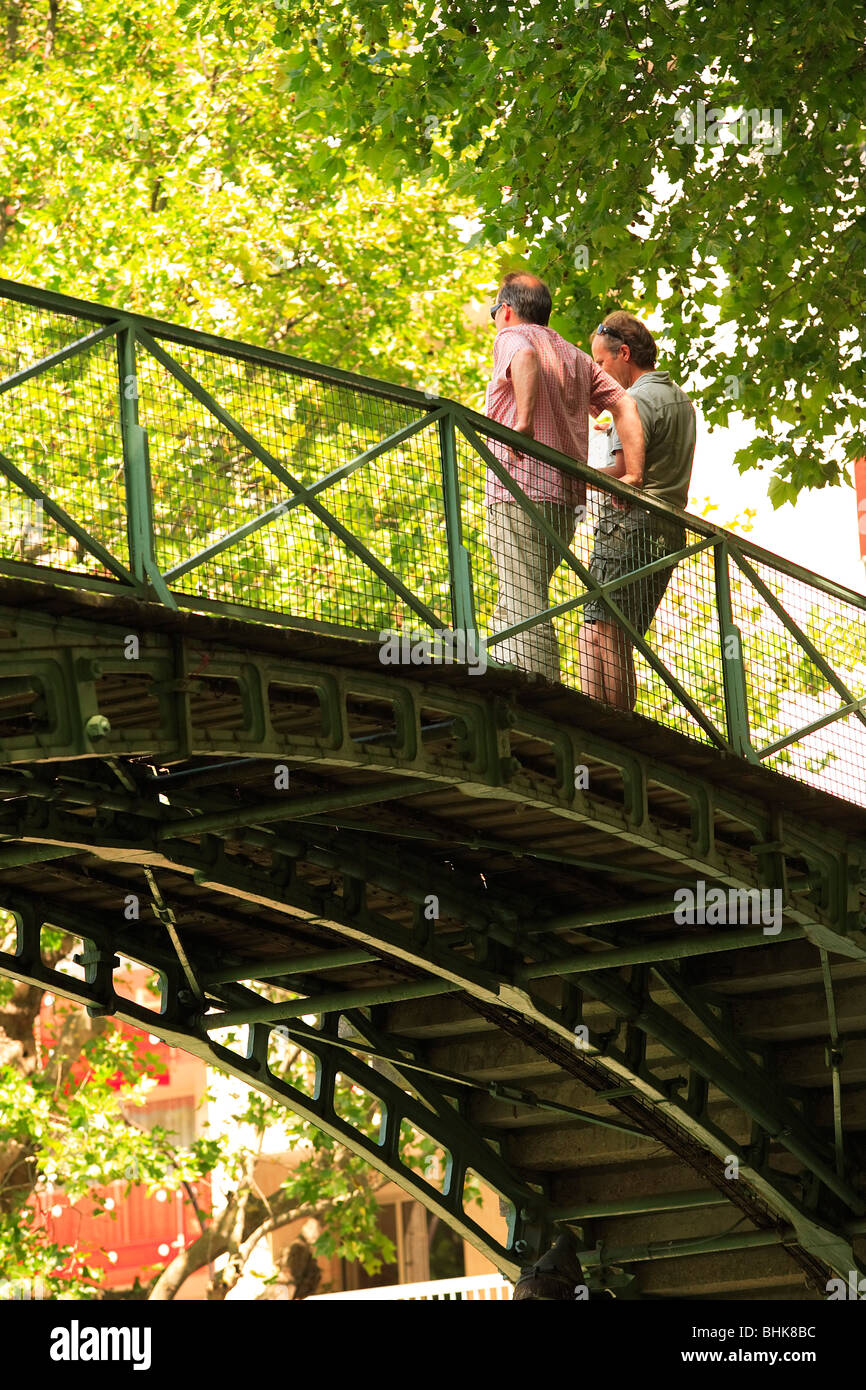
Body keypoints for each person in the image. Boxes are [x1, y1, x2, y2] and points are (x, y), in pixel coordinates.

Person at [485, 273, 644, 682]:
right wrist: (635, 473)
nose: (495, 321)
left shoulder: (511, 336)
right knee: (528, 593)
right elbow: (624, 404)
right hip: (566, 499)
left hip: (518, 487)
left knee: (520, 601)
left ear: (506, 310)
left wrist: (522, 423)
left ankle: (531, 694)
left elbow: (524, 359)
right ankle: (524, 678)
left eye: (493, 313)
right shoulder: (575, 356)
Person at [578, 312, 696, 710]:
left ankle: (601, 731)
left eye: (600, 363)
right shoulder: (678, 398)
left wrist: (573, 472)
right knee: (620, 634)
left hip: (629, 525)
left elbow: (626, 472)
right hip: (667, 530)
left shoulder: (633, 401)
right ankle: (621, 727)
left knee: (597, 629)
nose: (599, 371)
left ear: (623, 353)